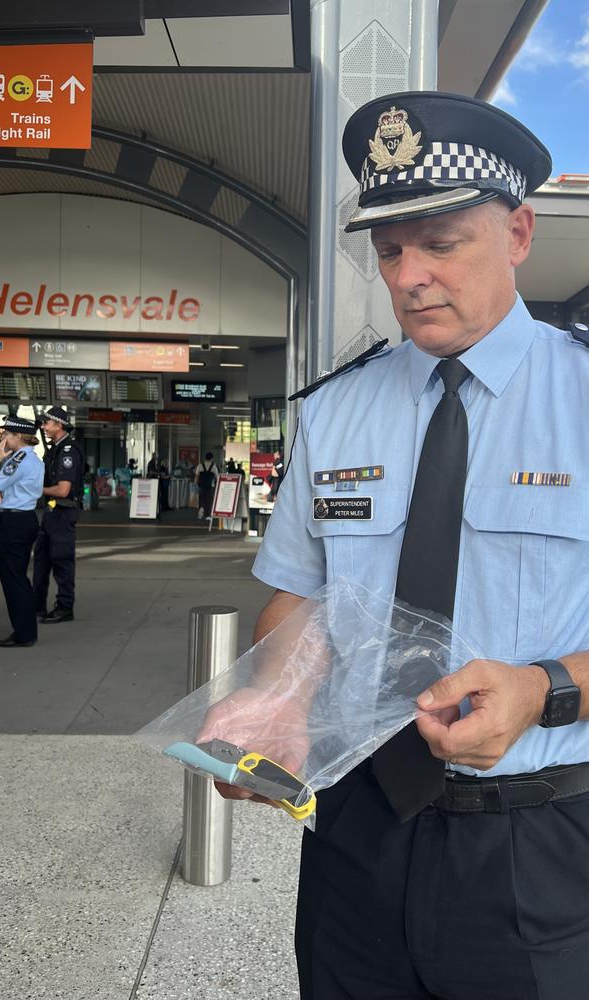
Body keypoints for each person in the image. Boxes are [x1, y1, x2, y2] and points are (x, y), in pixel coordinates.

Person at [210, 92, 589, 999]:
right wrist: (276, 699)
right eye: (388, 250)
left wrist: (547, 689)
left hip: (537, 844)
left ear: (521, 232)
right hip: (354, 833)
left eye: (441, 242)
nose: (409, 274)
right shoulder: (336, 410)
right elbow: (302, 594)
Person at [0, 416, 44, 648]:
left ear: (18, 436)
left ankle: (24, 633)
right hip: (24, 518)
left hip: (12, 523)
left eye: (6, 434)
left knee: (14, 580)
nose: (3, 439)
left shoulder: (16, 460)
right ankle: (26, 629)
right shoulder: (33, 459)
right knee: (17, 577)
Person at [33, 406, 84, 624]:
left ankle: (65, 607)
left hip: (63, 512)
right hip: (51, 512)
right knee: (41, 561)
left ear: (58, 425)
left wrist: (35, 490)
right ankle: (36, 606)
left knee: (62, 561)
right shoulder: (54, 450)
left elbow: (63, 490)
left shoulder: (68, 452)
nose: (43, 427)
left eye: (47, 423)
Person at [194, 451, 219, 520]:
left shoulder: (200, 465)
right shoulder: (214, 466)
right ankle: (207, 515)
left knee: (201, 498)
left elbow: (197, 476)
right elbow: (217, 477)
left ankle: (201, 509)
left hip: (201, 485)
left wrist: (195, 483)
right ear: (212, 458)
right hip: (210, 486)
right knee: (208, 500)